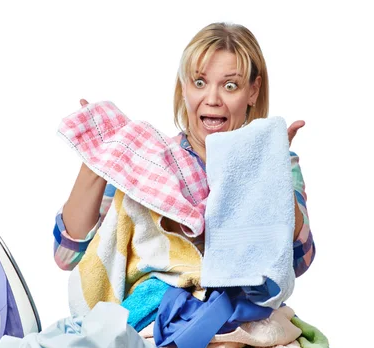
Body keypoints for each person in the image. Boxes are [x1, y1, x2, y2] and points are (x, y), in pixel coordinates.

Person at [53, 22, 315, 281]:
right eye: (200, 82)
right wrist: (99, 156)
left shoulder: (281, 163)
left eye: (230, 86)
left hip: (241, 318)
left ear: (253, 91)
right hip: (152, 317)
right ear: (184, 88)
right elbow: (68, 256)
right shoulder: (147, 159)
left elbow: (298, 260)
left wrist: (269, 171)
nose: (212, 98)